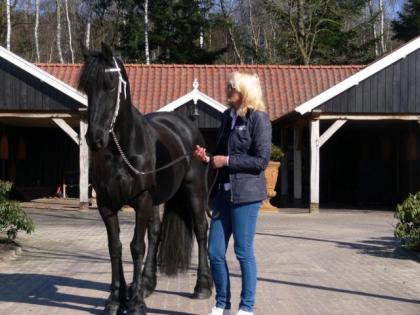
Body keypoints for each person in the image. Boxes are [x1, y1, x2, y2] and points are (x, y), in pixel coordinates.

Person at [194, 72, 272, 315]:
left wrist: (226, 160)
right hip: (223, 195)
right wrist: (207, 158)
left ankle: (246, 307)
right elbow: (218, 154)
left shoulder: (258, 119)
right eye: (228, 87)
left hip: (246, 196)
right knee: (214, 251)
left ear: (244, 92)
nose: (227, 92)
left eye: (232, 88)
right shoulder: (227, 117)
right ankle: (222, 303)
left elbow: (261, 161)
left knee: (243, 252)